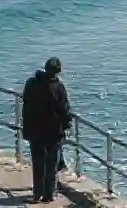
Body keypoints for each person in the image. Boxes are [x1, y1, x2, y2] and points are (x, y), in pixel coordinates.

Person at [21, 57, 72, 204]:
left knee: (38, 164)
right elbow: (64, 110)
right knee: (51, 165)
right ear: (57, 72)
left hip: (34, 130)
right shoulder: (58, 88)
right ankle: (49, 194)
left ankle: (37, 194)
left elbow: (25, 102)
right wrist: (67, 124)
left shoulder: (30, 83)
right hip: (53, 132)